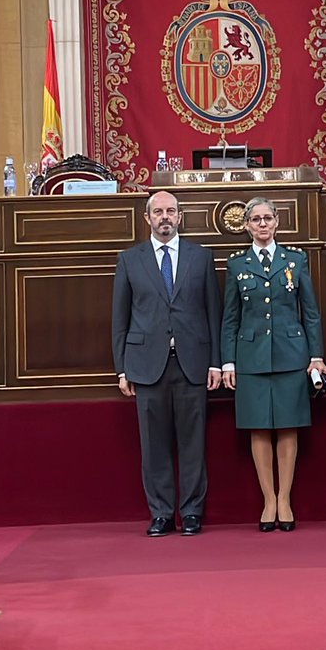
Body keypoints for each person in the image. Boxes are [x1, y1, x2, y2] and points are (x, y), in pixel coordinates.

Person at [112, 190, 222, 536]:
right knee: (153, 445)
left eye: (171, 211)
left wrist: (216, 363)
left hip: (193, 363)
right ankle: (160, 513)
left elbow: (213, 313)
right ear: (147, 218)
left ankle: (191, 512)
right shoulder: (130, 260)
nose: (165, 217)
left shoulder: (200, 257)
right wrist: (122, 368)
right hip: (146, 365)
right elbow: (120, 317)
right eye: (158, 211)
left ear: (180, 216)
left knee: (193, 444)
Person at [221, 196, 326, 532]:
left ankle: (285, 499)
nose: (262, 224)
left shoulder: (295, 260)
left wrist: (315, 356)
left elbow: (310, 313)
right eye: (256, 219)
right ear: (247, 226)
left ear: (277, 221)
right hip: (251, 357)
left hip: (290, 354)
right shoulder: (238, 264)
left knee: (287, 427)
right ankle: (268, 499)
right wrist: (228, 362)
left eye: (268, 218)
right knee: (258, 428)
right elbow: (230, 317)